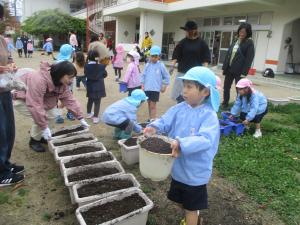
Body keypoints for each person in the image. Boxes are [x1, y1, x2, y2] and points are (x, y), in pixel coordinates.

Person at [144, 66, 220, 225]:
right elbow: (165, 120)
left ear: (205, 92)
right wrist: (154, 127)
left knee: (191, 206)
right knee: (178, 199)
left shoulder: (209, 116)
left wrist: (182, 143)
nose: (184, 90)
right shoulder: (179, 108)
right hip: (178, 169)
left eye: (189, 87)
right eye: (184, 85)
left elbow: (205, 139)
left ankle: (192, 219)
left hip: (195, 173)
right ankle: (193, 217)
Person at [13, 61, 89, 152]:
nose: (71, 80)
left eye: (72, 78)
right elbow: (35, 105)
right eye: (69, 77)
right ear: (61, 73)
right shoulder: (39, 80)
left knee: (51, 114)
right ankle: (34, 141)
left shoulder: (60, 82)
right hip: (22, 98)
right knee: (42, 117)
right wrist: (44, 127)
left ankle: (40, 136)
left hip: (40, 100)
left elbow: (69, 98)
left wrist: (80, 117)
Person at [0, 8, 25, 186]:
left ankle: (5, 163)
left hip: (4, 88)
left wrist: (11, 64)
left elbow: (8, 58)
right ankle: (1, 174)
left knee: (8, 129)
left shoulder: (1, 39)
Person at [170, 21, 211, 104]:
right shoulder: (182, 42)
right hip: (183, 73)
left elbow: (206, 59)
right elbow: (176, 55)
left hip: (195, 75)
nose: (187, 32)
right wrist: (172, 65)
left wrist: (205, 71)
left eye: (189, 30)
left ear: (195, 30)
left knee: (193, 95)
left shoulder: (202, 43)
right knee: (181, 96)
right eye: (186, 30)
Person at [221, 22, 255, 108]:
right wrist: (224, 67)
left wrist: (244, 72)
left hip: (239, 71)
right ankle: (225, 103)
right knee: (226, 87)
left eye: (244, 32)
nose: (242, 33)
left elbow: (249, 59)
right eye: (240, 31)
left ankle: (238, 105)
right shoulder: (235, 40)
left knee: (239, 89)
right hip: (229, 69)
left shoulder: (249, 43)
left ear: (248, 33)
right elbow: (229, 54)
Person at [141, 45, 170, 120]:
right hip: (147, 88)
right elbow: (143, 75)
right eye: (152, 56)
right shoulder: (147, 65)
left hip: (155, 89)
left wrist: (164, 85)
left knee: (153, 106)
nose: (153, 58)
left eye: (155, 56)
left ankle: (153, 120)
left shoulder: (161, 65)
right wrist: (142, 85)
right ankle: (151, 118)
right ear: (150, 56)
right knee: (149, 104)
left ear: (159, 56)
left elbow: (166, 76)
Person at [85, 49, 107, 124]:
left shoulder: (86, 66)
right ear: (97, 57)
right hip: (99, 86)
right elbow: (105, 75)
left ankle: (88, 113)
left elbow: (85, 74)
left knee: (90, 100)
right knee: (97, 102)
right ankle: (95, 117)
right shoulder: (101, 66)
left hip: (90, 86)